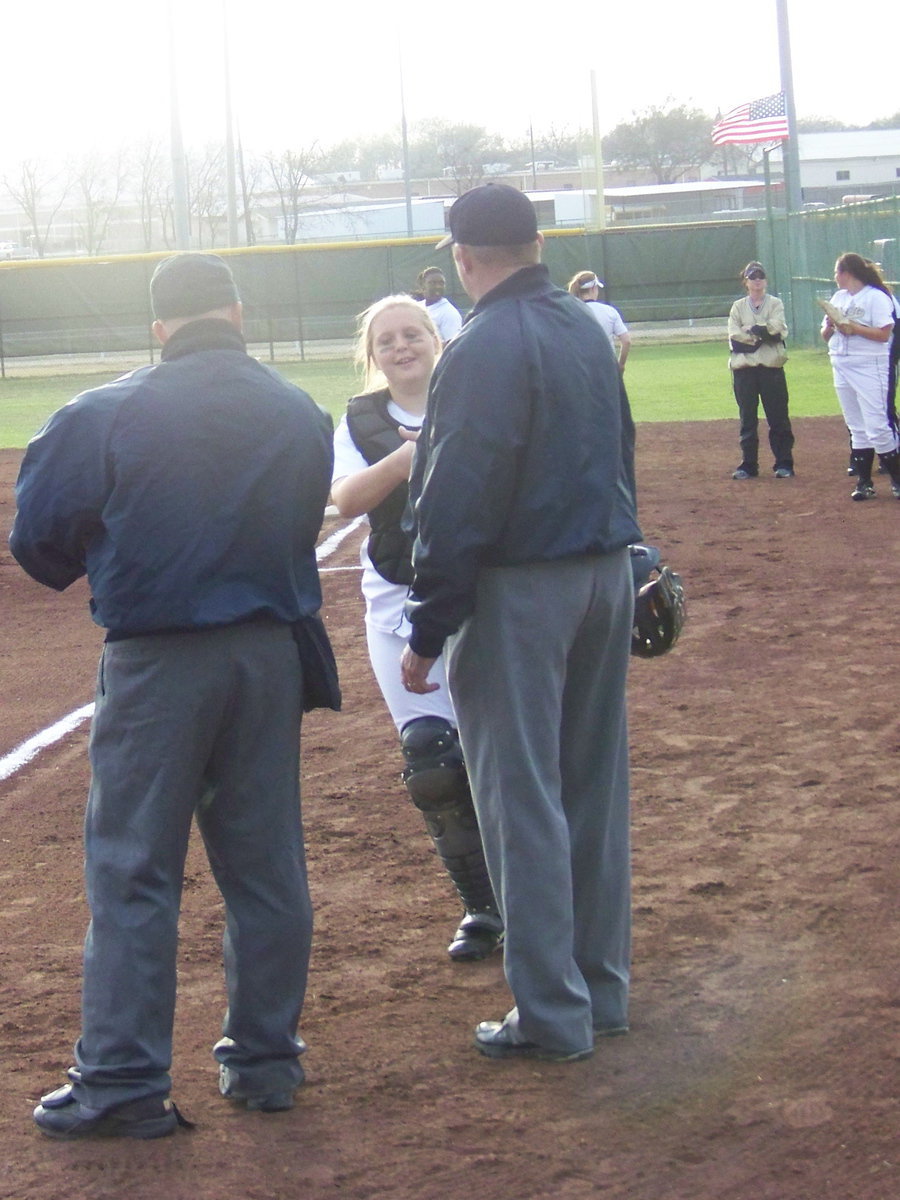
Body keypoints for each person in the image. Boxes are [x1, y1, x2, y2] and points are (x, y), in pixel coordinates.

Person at [10, 253, 335, 1138]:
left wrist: (125, 552)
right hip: (271, 655)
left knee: (133, 866)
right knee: (267, 865)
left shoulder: (104, 412)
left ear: (158, 326)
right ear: (237, 312)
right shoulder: (298, 409)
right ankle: (266, 1062)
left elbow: (38, 547)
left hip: (158, 662)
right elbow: (306, 520)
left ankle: (121, 1079)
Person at [400, 183, 642, 1063]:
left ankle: (550, 1013)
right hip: (604, 573)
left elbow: (456, 496)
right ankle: (601, 994)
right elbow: (621, 447)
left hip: (519, 590)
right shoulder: (585, 325)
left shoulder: (479, 344)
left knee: (522, 797)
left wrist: (428, 626)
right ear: (537, 243)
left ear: (463, 259)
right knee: (592, 789)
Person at [330, 295, 503, 962]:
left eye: (413, 334)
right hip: (396, 600)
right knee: (431, 760)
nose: (401, 347)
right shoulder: (362, 418)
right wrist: (408, 459)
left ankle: (537, 889)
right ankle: (482, 907)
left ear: (438, 339)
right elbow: (345, 499)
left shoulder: (479, 400)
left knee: (503, 754)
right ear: (372, 356)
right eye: (386, 341)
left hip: (484, 595)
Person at [821, 252, 900, 501]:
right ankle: (864, 483)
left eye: (837, 272)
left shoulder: (876, 297)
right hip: (841, 364)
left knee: (877, 425)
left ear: (847, 273)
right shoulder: (838, 297)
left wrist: (852, 327)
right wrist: (832, 327)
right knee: (856, 426)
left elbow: (884, 335)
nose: (835, 277)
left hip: (869, 365)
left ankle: (897, 480)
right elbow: (825, 334)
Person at [727, 262, 795, 480]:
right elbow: (735, 339)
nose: (757, 280)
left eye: (760, 276)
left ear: (765, 280)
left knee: (778, 418)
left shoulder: (775, 303)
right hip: (744, 370)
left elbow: (779, 330)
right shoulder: (738, 307)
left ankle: (784, 463)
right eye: (752, 276)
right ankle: (748, 464)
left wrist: (754, 330)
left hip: (770, 369)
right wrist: (764, 334)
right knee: (747, 418)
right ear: (745, 281)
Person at [567, 270, 631, 372]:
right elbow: (626, 341)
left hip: (581, 368)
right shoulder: (610, 311)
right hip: (607, 367)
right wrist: (621, 364)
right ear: (593, 288)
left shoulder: (570, 312)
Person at [415, 266, 463, 344]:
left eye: (441, 283)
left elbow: (453, 347)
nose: (438, 286)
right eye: (433, 283)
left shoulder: (449, 313)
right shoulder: (416, 307)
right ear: (423, 285)